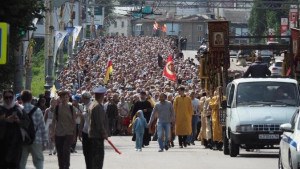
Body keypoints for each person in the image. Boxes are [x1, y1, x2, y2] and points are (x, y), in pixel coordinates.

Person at [19, 90, 48, 169]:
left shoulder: (18, 110)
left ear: (21, 99)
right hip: (36, 139)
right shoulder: (37, 110)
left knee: (21, 163)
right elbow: (42, 127)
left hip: (22, 140)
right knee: (39, 162)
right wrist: (45, 142)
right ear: (31, 99)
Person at [51, 90, 76, 169]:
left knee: (66, 151)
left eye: (66, 97)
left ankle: (66, 167)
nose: (65, 99)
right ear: (60, 99)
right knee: (60, 153)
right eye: (63, 97)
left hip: (68, 133)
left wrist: (74, 135)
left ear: (68, 98)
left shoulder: (72, 108)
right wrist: (52, 133)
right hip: (59, 133)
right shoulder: (57, 108)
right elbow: (53, 121)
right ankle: (61, 167)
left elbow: (74, 122)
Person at [0, 90, 24, 169]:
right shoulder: (1, 109)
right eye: (6, 98)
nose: (8, 100)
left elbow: (27, 123)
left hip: (16, 143)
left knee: (15, 165)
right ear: (3, 98)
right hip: (2, 142)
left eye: (10, 97)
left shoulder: (19, 109)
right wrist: (6, 120)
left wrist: (18, 121)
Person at [88, 87, 109, 169]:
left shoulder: (93, 104)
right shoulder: (97, 106)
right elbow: (99, 122)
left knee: (95, 158)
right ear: (102, 96)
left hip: (93, 134)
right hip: (97, 135)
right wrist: (104, 133)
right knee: (98, 159)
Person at [79, 91, 92, 169]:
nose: (81, 99)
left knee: (90, 152)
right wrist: (80, 131)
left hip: (92, 133)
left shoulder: (92, 106)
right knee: (86, 152)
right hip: (85, 131)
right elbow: (83, 119)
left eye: (82, 98)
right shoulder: (84, 106)